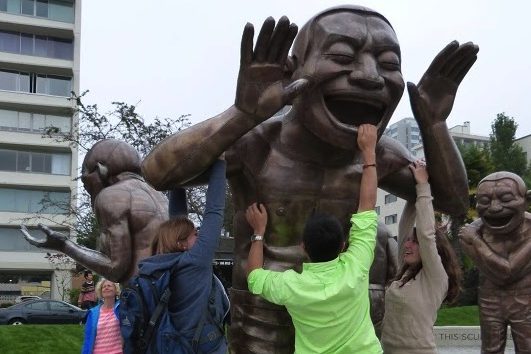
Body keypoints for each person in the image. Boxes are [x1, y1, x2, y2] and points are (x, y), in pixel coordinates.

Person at [141, 6, 477, 352]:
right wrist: (241, 115)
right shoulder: (258, 145)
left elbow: (453, 201)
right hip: (263, 330)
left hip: (348, 332)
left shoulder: (380, 153)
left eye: (388, 63)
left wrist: (434, 125)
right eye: (342, 55)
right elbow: (157, 173)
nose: (369, 75)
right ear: (292, 72)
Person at [245, 124, 380, 353]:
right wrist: (369, 153)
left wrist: (259, 231)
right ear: (343, 246)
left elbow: (254, 277)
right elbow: (367, 206)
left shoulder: (292, 286)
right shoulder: (356, 267)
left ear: (303, 247)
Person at [21, 139, 169, 286]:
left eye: (86, 180)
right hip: (172, 290)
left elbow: (115, 268)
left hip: (143, 294)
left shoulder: (113, 195)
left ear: (99, 170)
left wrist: (64, 246)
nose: (87, 188)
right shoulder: (159, 195)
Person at [138, 157, 229, 353]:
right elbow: (214, 211)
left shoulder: (159, 266)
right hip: (203, 347)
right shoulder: (195, 262)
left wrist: (176, 180)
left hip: (173, 345)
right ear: (181, 244)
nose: (200, 235)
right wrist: (219, 162)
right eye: (195, 234)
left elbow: (177, 218)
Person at [380, 160, 462, 354]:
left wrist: (424, 187)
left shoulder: (435, 276)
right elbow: (404, 227)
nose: (407, 245)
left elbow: (426, 235)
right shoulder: (404, 271)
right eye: (408, 241)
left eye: (413, 243)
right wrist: (412, 191)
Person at [459, 172, 531, 353]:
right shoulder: (471, 232)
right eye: (484, 200)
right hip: (489, 300)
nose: (494, 207)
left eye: (506, 198)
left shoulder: (472, 236)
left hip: (526, 300)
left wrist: (476, 241)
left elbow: (506, 272)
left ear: (526, 200)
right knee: (490, 349)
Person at [82, 278, 122, 354]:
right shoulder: (93, 313)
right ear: (101, 292)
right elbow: (88, 339)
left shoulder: (122, 309)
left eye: (109, 286)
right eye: (104, 287)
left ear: (116, 290)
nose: (106, 287)